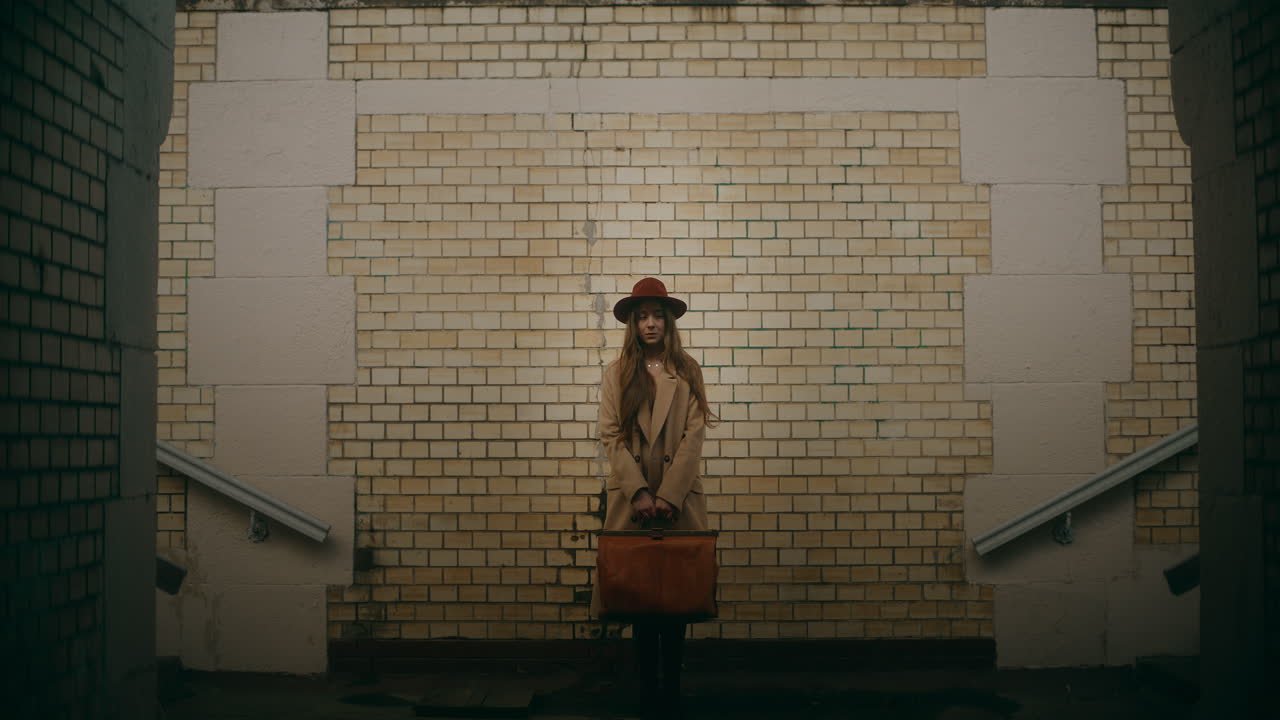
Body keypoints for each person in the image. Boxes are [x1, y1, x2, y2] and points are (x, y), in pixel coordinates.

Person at [595, 277, 719, 719]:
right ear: (633, 323)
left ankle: (673, 693)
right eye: (642, 316)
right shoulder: (618, 373)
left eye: (657, 315)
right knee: (641, 599)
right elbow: (610, 435)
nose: (650, 323)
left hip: (678, 499)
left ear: (668, 322)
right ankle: (648, 693)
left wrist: (668, 494)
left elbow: (694, 434)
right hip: (634, 501)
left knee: (676, 599)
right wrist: (641, 492)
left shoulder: (686, 370)